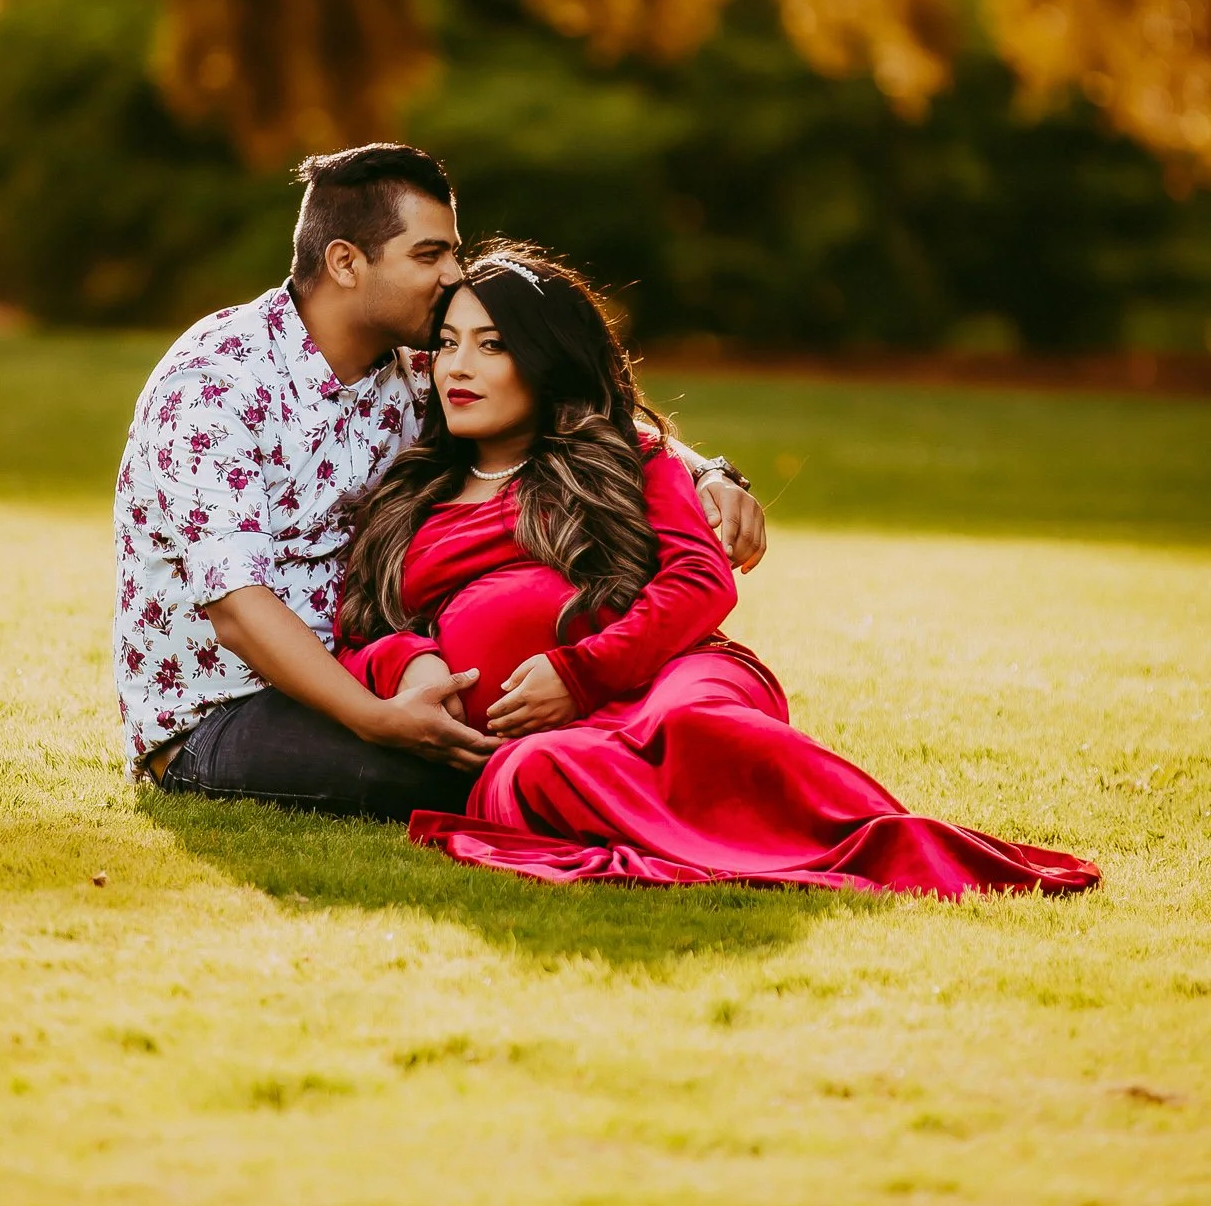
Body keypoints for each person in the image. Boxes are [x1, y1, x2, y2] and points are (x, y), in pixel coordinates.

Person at [338, 246, 1102, 898]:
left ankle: (878, 841)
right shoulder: (410, 495)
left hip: (673, 674)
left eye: (492, 345)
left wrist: (579, 672)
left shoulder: (625, 459)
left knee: (693, 725)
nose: (457, 368)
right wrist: (409, 664)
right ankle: (726, 846)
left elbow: (700, 583)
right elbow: (360, 630)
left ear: (545, 359)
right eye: (447, 343)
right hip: (538, 735)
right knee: (537, 772)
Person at [113, 143, 765, 818]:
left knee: (562, 739)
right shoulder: (215, 386)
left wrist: (708, 472)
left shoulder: (413, 366)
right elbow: (237, 610)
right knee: (488, 769)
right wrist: (375, 718)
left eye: (452, 251)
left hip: (375, 668)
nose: (454, 274)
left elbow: (569, 403)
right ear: (345, 262)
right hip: (230, 711)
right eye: (429, 255)